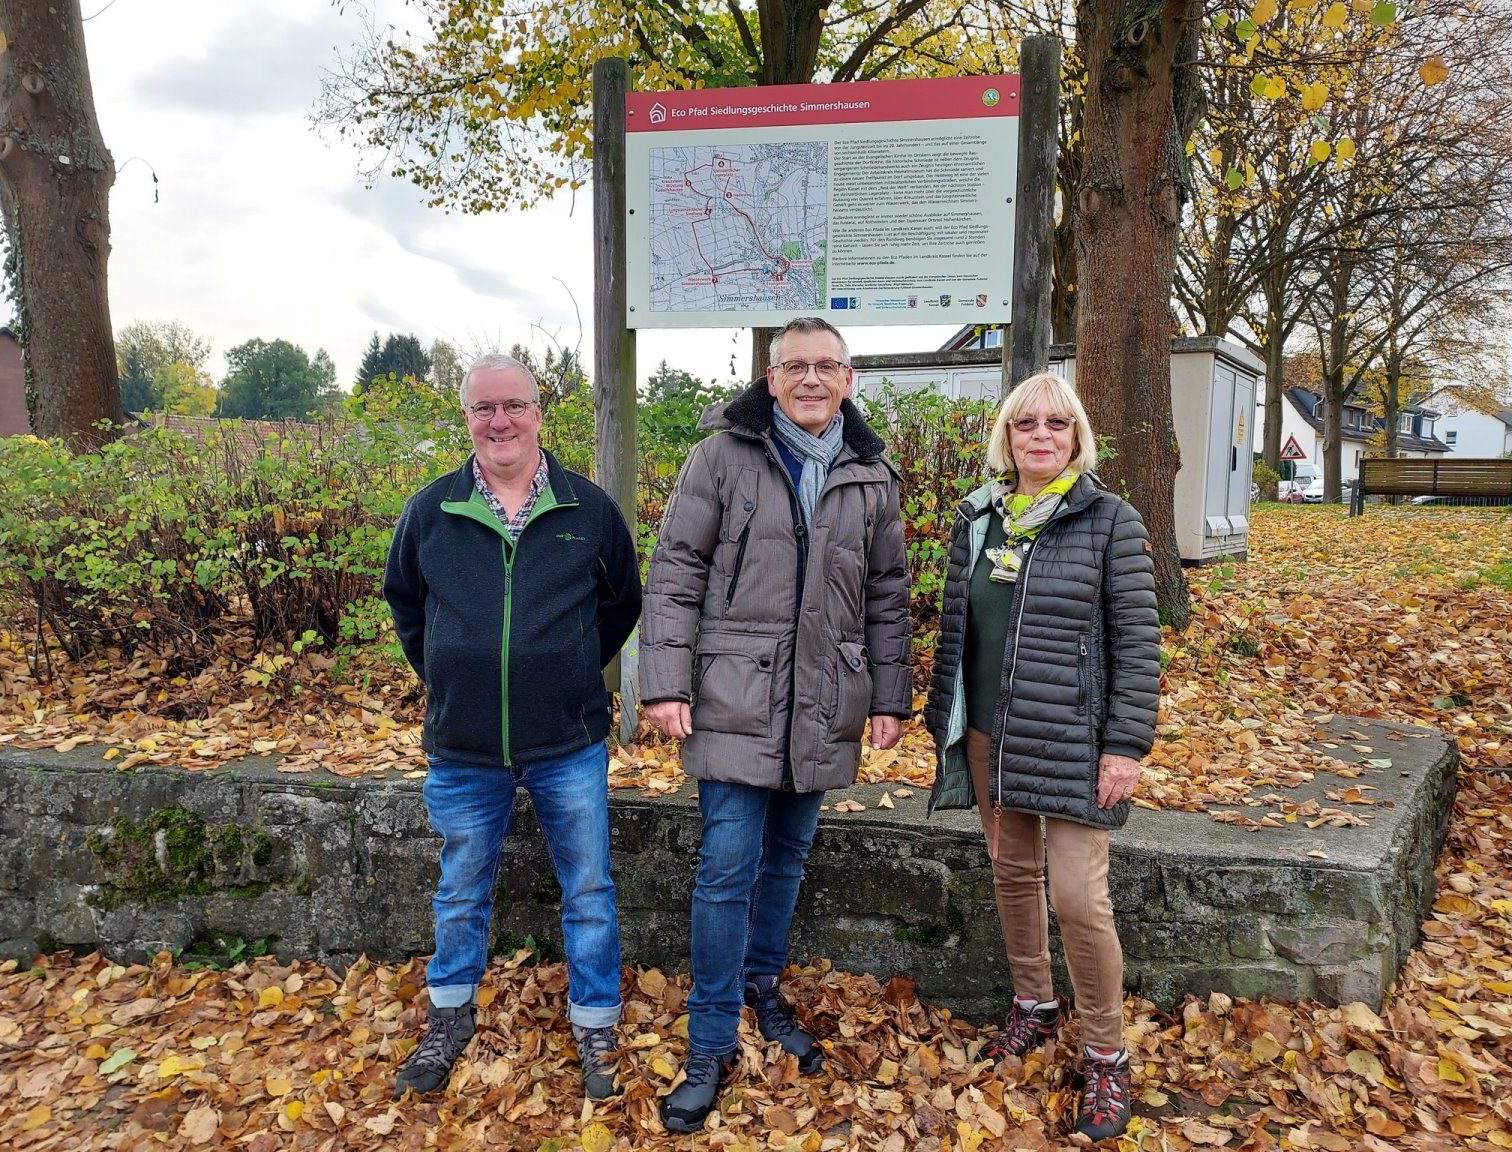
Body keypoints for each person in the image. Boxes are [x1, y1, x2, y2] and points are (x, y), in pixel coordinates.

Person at [641, 317, 912, 1133]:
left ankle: (761, 985)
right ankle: (712, 1040)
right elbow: (676, 572)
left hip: (826, 700)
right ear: (770, 379)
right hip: (733, 694)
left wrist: (892, 698)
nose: (810, 379)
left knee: (787, 862)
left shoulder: (871, 474)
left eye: (826, 366)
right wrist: (664, 682)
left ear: (849, 379)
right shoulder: (721, 457)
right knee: (727, 869)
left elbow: (887, 594)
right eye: (795, 366)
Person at [383, 354, 642, 1102]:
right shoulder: (431, 510)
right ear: (465, 418)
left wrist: (566, 670)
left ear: (539, 412)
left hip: (568, 740)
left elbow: (622, 602)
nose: (500, 422)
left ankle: (595, 1020)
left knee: (589, 887)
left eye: (515, 406)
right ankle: (450, 1014)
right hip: (463, 746)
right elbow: (404, 601)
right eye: (483, 409)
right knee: (461, 888)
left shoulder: (587, 510)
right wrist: (446, 672)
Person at [922, 372, 1160, 1142]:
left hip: (1073, 738)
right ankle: (1033, 1002)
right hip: (991, 733)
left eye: (1057, 425)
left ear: (1077, 436)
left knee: (1079, 900)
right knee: (1010, 873)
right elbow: (960, 628)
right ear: (1007, 436)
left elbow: (1136, 644)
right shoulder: (979, 518)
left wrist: (1124, 745)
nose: (1041, 436)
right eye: (1026, 424)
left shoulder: (1109, 520)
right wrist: (944, 720)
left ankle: (1104, 1054)